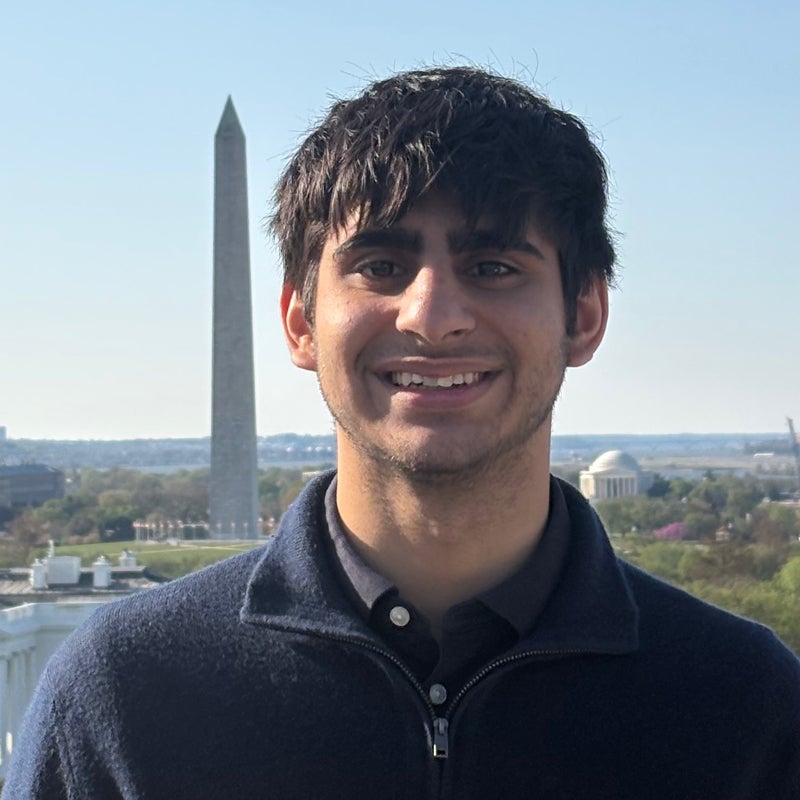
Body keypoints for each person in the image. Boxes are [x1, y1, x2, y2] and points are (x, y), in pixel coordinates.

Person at [4, 67, 800, 799]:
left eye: (493, 266)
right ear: (300, 320)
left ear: (583, 316)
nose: (432, 314)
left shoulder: (744, 705)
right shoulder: (129, 691)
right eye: (380, 265)